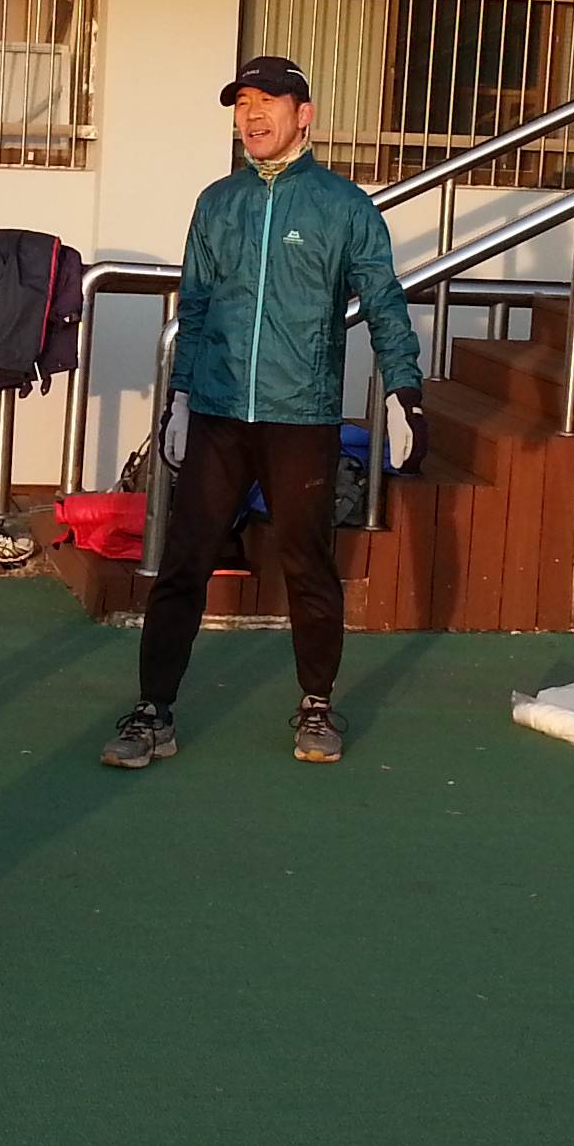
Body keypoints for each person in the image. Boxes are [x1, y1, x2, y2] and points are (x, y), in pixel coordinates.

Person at [101, 54, 423, 771]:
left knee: (306, 561)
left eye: (267, 102)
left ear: (303, 115)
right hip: (218, 412)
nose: (251, 116)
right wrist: (181, 397)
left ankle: (317, 703)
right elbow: (196, 305)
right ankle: (154, 711)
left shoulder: (343, 206)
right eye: (242, 104)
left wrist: (403, 389)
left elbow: (383, 299)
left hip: (301, 414)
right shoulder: (219, 202)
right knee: (185, 560)